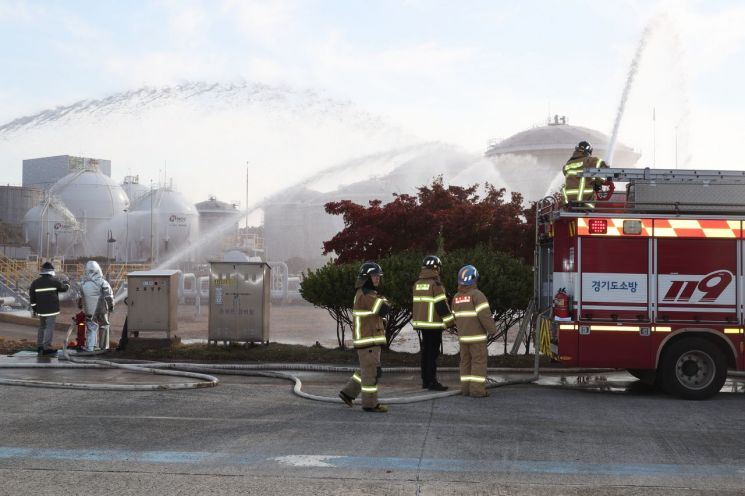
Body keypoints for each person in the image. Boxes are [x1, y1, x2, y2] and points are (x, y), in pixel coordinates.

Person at [339, 261, 391, 413]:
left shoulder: (367, 294)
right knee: (371, 374)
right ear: (366, 277)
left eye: (378, 276)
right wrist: (384, 301)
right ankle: (370, 404)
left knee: (367, 370)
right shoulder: (366, 295)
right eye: (374, 276)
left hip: (369, 341)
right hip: (369, 341)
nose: (377, 278)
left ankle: (348, 393)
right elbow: (384, 309)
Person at [452, 265, 496, 398]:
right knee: (478, 362)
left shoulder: (456, 297)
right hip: (476, 338)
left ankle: (465, 389)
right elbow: (485, 316)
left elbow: (454, 316)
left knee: (465, 362)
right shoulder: (478, 295)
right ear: (474, 279)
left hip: (463, 337)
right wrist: (492, 329)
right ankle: (477, 391)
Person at [412, 255, 454, 391]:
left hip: (422, 324)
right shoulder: (436, 285)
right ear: (436, 268)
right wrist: (451, 323)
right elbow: (442, 306)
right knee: (432, 354)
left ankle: (425, 380)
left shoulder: (417, 284)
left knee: (425, 353)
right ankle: (432, 382)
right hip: (434, 325)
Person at [29, 261, 70, 356]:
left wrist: (35, 309)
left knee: (42, 327)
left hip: (40, 310)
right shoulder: (54, 281)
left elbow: (32, 297)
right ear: (51, 272)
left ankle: (40, 347)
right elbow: (64, 288)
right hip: (51, 310)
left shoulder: (35, 283)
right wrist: (67, 283)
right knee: (49, 328)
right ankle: (46, 348)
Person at [78, 261, 114, 352]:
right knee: (104, 326)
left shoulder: (83, 284)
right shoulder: (103, 282)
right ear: (98, 270)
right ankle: (104, 347)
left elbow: (79, 297)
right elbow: (109, 296)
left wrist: (80, 305)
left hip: (89, 310)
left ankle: (90, 347)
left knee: (91, 326)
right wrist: (111, 306)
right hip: (102, 308)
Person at [562, 140, 609, 208]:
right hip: (585, 202)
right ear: (589, 152)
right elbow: (603, 166)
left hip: (569, 202)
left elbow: (569, 175)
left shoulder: (567, 165)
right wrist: (598, 183)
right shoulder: (590, 160)